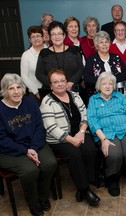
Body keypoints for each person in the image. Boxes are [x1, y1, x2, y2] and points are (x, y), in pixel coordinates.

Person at [40, 69, 100, 207]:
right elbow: (50, 127)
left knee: (90, 149)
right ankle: (85, 190)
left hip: (79, 133)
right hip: (59, 139)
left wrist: (82, 131)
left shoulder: (75, 96)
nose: (60, 84)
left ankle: (84, 183)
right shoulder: (47, 102)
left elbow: (85, 115)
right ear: (50, 85)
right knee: (75, 154)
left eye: (62, 81)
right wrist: (71, 139)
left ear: (67, 82)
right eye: (56, 82)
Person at [0, 73, 57, 216]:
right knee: (30, 171)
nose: (16, 91)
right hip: (9, 150)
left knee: (50, 163)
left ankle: (43, 197)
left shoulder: (30, 102)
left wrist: (33, 148)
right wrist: (25, 150)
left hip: (34, 144)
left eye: (18, 87)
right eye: (11, 88)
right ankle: (34, 203)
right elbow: (2, 139)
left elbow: (39, 127)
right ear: (4, 91)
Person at [87, 72, 126, 197]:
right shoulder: (93, 100)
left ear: (114, 86)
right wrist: (103, 139)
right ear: (99, 85)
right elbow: (92, 121)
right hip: (105, 133)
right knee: (114, 155)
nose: (107, 86)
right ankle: (112, 178)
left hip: (125, 129)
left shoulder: (120, 97)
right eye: (104, 83)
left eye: (110, 84)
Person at [36, 21, 84, 97]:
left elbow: (81, 69)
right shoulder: (44, 53)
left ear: (64, 35)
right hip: (51, 92)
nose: (57, 37)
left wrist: (71, 82)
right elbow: (39, 73)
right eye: (53, 34)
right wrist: (54, 84)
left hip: (72, 90)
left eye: (59, 33)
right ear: (50, 37)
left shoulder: (75, 50)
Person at [84, 31, 126, 98]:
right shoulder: (91, 59)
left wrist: (111, 80)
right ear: (96, 45)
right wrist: (103, 82)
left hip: (117, 95)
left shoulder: (116, 57)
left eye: (106, 42)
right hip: (97, 96)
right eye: (101, 42)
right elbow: (87, 78)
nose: (104, 44)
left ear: (109, 44)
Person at [20, 25, 44, 101]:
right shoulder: (26, 55)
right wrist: (36, 92)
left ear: (43, 37)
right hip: (34, 92)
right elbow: (24, 76)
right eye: (32, 37)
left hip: (52, 90)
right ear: (29, 40)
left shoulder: (50, 51)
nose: (36, 39)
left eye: (38, 36)